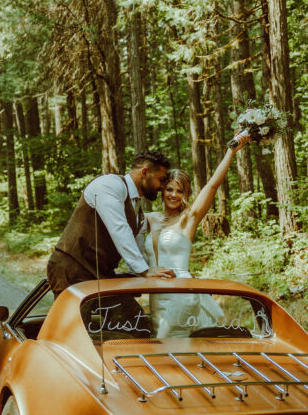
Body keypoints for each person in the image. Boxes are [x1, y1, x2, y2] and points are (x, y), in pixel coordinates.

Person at [144, 133, 250, 336]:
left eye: (180, 191)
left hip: (181, 293)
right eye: (169, 189)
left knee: (167, 343)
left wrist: (231, 150)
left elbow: (212, 186)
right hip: (156, 296)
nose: (174, 195)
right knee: (166, 350)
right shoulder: (151, 219)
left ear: (186, 195)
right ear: (162, 190)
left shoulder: (188, 219)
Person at [46, 151, 176, 298]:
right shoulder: (109, 185)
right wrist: (144, 270)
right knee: (74, 320)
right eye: (161, 179)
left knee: (131, 318)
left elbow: (137, 243)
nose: (162, 186)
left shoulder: (137, 206)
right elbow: (119, 229)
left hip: (101, 274)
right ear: (145, 172)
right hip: (72, 269)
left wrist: (146, 273)